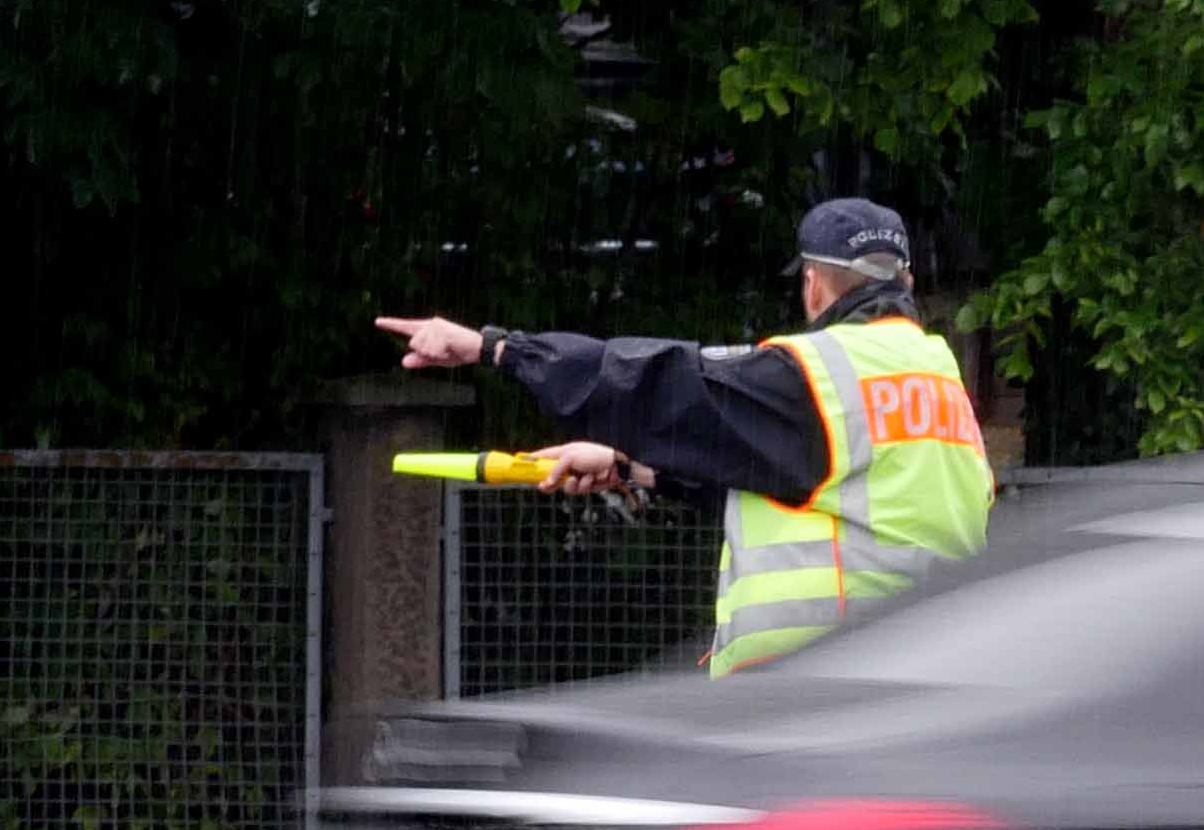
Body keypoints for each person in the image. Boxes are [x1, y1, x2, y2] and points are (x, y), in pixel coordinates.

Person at [374, 197, 996, 673]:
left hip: (820, 684)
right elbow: (824, 500)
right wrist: (631, 469)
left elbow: (660, 382)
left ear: (812, 284)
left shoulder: (818, 376)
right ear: (906, 283)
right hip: (917, 675)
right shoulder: (940, 380)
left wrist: (498, 347)